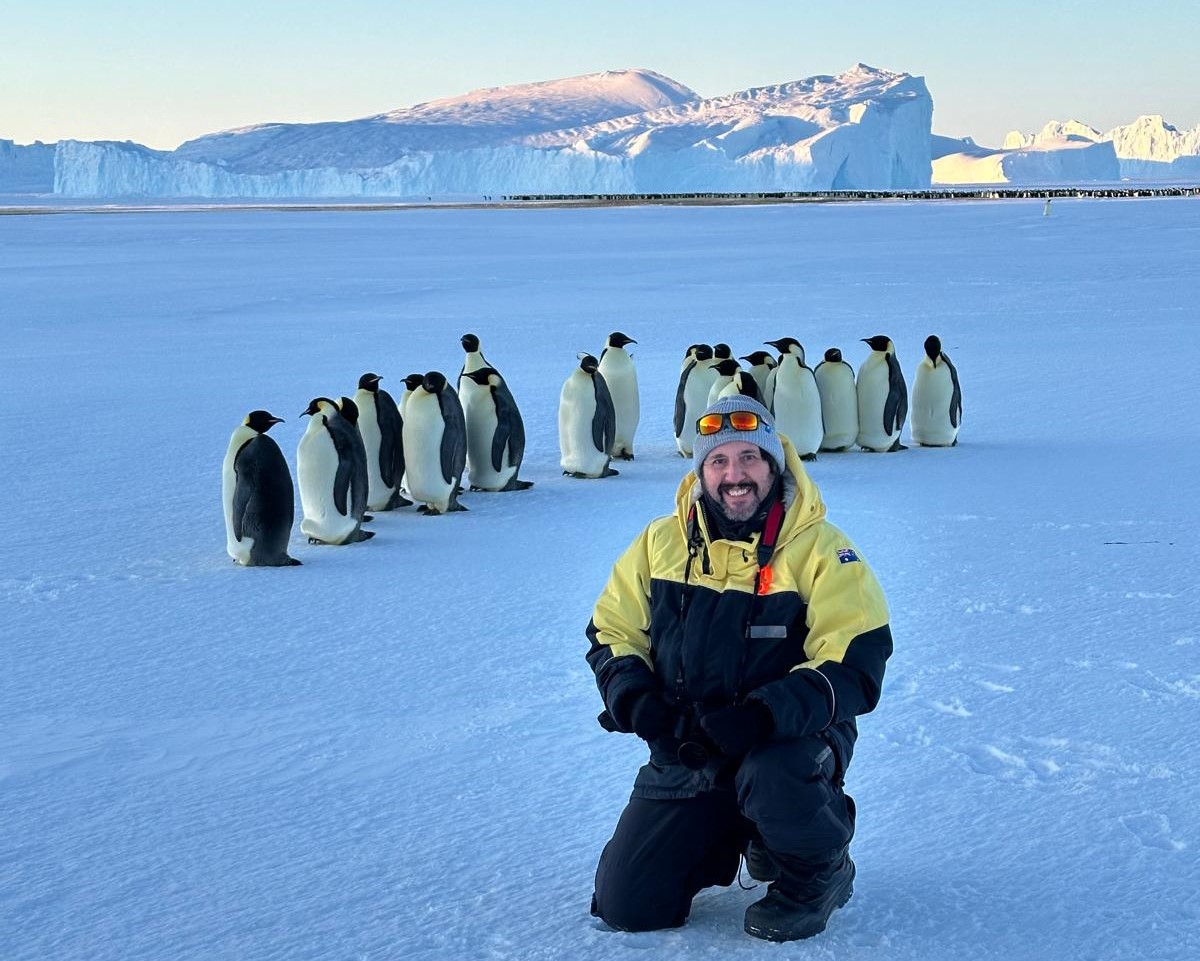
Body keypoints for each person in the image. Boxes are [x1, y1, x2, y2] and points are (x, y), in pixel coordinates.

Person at [586, 394, 893, 942]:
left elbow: (855, 662)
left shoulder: (823, 550)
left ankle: (817, 871)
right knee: (629, 905)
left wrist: (763, 715)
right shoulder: (661, 543)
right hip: (692, 747)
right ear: (702, 472)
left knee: (772, 774)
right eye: (719, 461)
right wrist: (634, 696)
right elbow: (612, 630)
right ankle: (742, 829)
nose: (736, 475)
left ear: (775, 464)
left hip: (789, 744)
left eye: (750, 458)